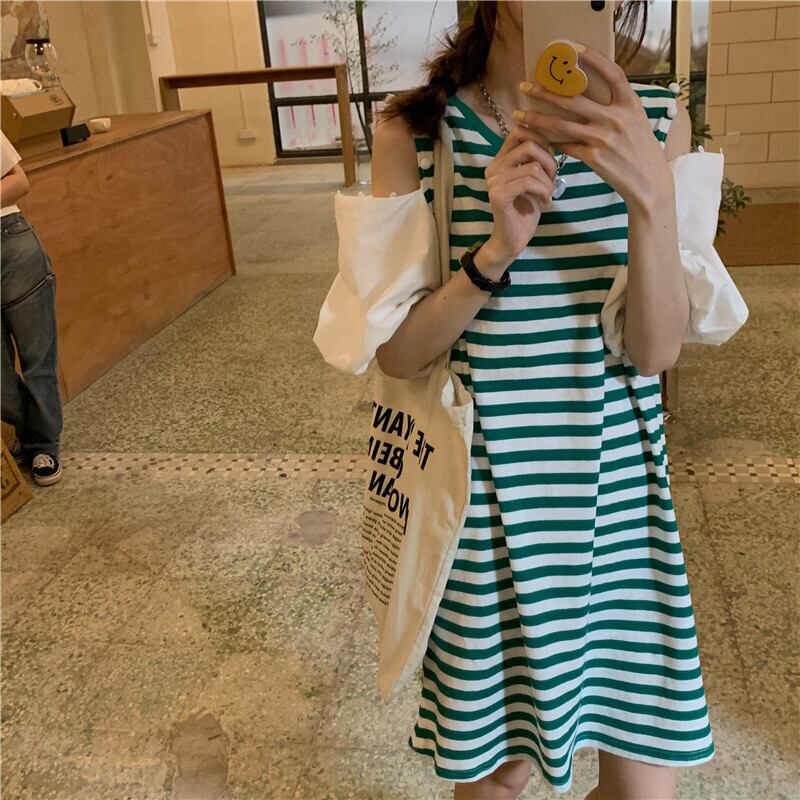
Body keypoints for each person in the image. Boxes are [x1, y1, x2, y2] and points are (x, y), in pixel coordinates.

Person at [370, 2, 712, 799]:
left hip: (620, 509)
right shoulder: (418, 134)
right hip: (489, 515)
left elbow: (655, 352)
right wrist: (496, 251)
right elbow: (398, 353)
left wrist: (652, 198)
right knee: (497, 780)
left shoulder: (657, 122)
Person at [1, 130, 63, 486]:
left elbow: (19, 181)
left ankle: (43, 445)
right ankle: (33, 430)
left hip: (10, 242)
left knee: (37, 357)